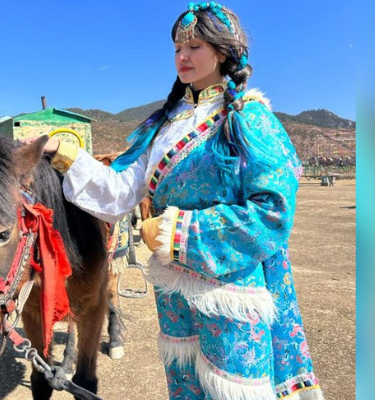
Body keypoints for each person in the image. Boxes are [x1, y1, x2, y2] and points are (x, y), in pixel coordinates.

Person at [34, 3, 324, 399]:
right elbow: (118, 192)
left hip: (231, 292)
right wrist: (62, 152)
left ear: (223, 52)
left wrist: (177, 233)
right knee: (186, 389)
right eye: (176, 49)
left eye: (195, 46)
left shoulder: (249, 117)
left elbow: (272, 213)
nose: (182, 57)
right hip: (175, 294)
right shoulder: (165, 126)